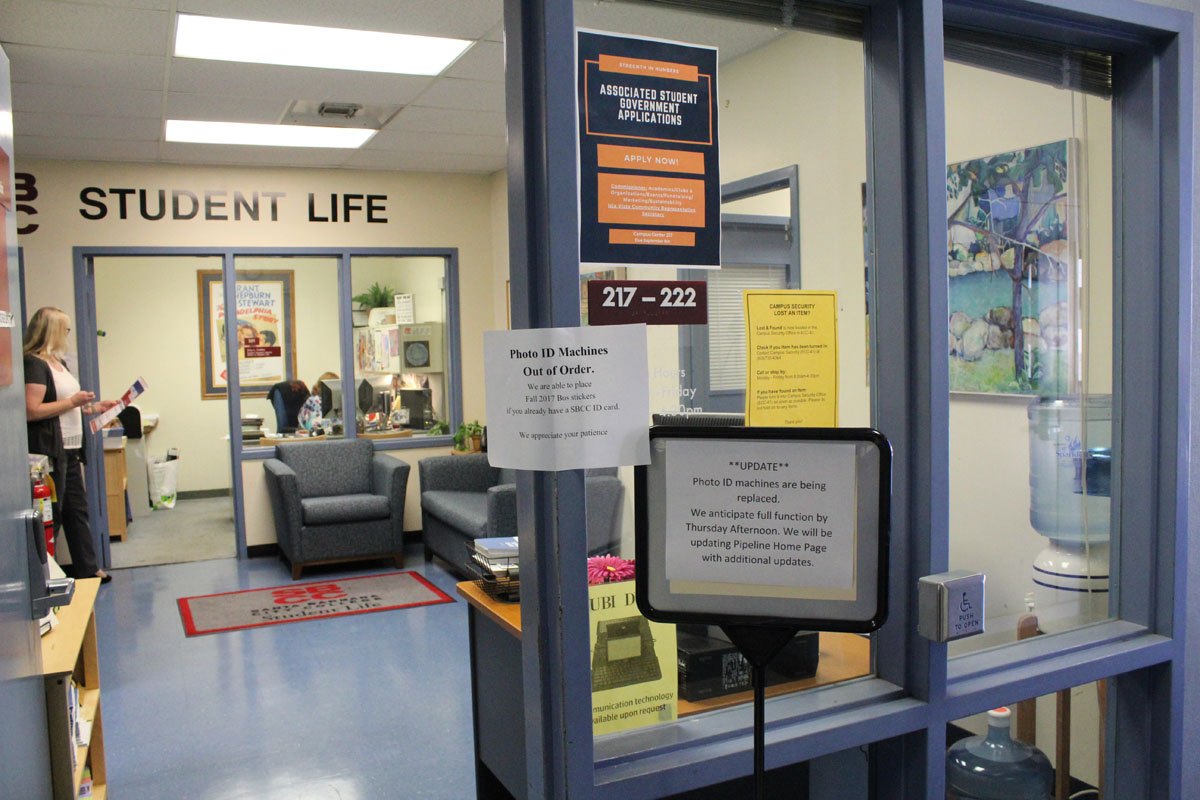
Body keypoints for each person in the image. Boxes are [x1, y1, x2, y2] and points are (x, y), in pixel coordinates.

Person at [24, 307, 118, 584]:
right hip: (51, 452)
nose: (67, 335)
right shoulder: (34, 364)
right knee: (53, 515)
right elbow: (32, 410)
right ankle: (41, 576)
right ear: (50, 330)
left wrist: (94, 407)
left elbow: (66, 405)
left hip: (72, 449)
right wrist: (73, 402)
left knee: (77, 510)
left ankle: (89, 569)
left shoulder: (57, 363)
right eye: (64, 329)